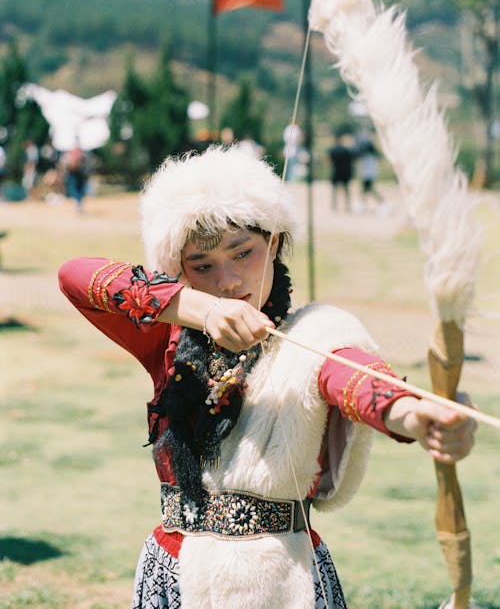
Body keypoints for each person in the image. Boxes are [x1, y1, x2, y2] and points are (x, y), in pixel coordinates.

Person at [58, 145, 476, 609]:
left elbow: (355, 380)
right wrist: (201, 308)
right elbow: (74, 276)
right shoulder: (170, 339)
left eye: (243, 254)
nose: (230, 281)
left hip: (282, 579)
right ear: (179, 270)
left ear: (274, 243)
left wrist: (416, 415)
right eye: (203, 266)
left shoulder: (315, 334)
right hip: (175, 570)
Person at [356, 135, 384, 211]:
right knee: (366, 190)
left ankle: (381, 202)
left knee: (368, 190)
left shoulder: (367, 155)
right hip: (370, 174)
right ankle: (364, 203)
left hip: (367, 174)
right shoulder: (372, 155)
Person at [327, 135, 354, 211]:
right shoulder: (346, 150)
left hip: (336, 171)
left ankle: (334, 206)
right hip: (345, 172)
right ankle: (347, 206)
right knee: (346, 189)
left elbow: (328, 162)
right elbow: (351, 161)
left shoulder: (332, 150)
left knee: (334, 190)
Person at [62, 145, 90, 213]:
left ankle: (79, 204)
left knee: (77, 190)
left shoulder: (81, 154)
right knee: (76, 190)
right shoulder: (72, 154)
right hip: (74, 175)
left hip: (78, 175)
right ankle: (79, 204)